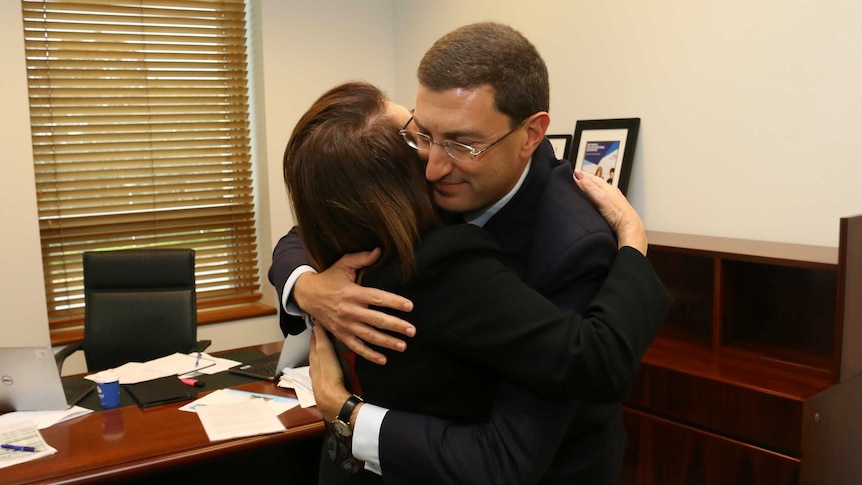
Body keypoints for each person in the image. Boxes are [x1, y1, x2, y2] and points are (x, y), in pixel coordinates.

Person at [270, 22, 666, 484]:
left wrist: (633, 247)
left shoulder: (573, 246)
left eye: (462, 143)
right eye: (422, 134)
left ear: (531, 134)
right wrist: (308, 286)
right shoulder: (427, 172)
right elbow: (312, 227)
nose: (433, 167)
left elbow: (582, 374)